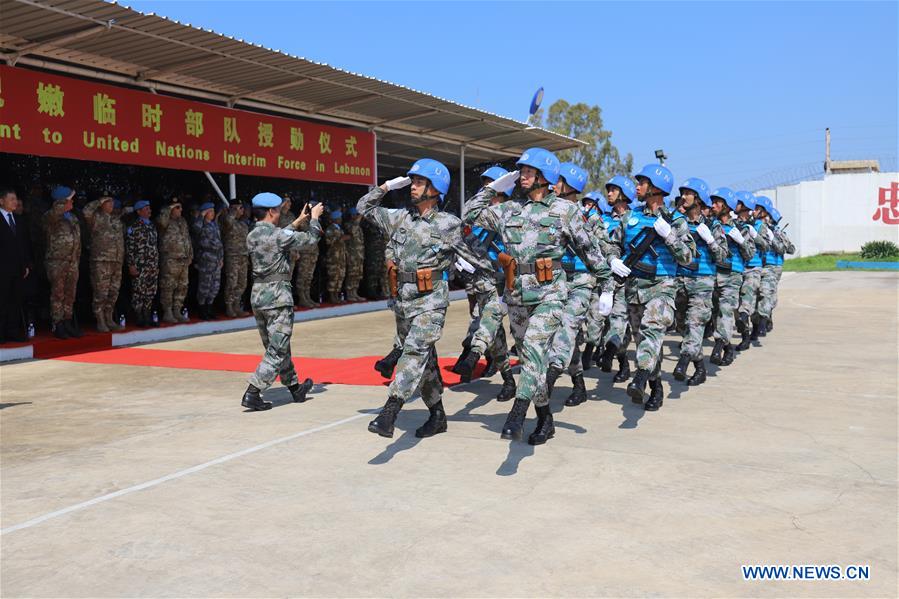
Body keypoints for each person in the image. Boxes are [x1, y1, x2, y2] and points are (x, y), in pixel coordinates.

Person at [464, 148, 610, 445]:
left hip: (550, 294)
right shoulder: (509, 210)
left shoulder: (565, 211)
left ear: (545, 177)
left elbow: (589, 250)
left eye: (529, 171)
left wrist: (607, 286)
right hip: (517, 295)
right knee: (532, 361)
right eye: (522, 171)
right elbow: (469, 213)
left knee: (532, 350)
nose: (523, 176)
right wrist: (493, 187)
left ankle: (517, 413)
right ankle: (545, 419)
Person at [359, 158, 488, 439]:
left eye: (418, 182)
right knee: (425, 362)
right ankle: (438, 415)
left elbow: (481, 260)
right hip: (404, 303)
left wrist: (489, 289)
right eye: (412, 181)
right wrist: (386, 186)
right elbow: (364, 208)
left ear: (435, 188)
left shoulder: (449, 225)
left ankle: (390, 411)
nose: (412, 187)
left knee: (414, 352)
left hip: (431, 302)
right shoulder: (401, 218)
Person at [609, 164, 696, 412]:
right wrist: (613, 260)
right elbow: (612, 245)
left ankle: (639, 378)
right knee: (644, 340)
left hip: (662, 286)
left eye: (642, 182)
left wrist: (669, 235)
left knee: (652, 330)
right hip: (634, 289)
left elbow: (688, 257)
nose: (636, 186)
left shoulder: (676, 221)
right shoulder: (630, 217)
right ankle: (655, 384)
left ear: (656, 188)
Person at [241, 193, 321, 411]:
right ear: (271, 212)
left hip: (259, 297)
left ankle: (295, 388)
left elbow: (280, 235)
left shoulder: (252, 235)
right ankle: (253, 391)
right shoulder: (278, 236)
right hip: (277, 297)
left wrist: (296, 222)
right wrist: (314, 219)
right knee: (277, 349)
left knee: (277, 346)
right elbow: (312, 240)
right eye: (277, 210)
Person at [545, 162, 614, 407]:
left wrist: (610, 271)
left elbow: (605, 246)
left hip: (583, 281)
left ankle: (549, 379)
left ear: (569, 185)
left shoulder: (589, 217)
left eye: (559, 180)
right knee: (565, 336)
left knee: (567, 327)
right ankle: (579, 384)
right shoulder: (550, 211)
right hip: (558, 278)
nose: (553, 183)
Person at [671, 178, 727, 386]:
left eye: (688, 193)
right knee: (682, 326)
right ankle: (700, 367)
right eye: (682, 193)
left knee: (695, 324)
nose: (683, 197)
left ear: (699, 199)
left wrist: (711, 241)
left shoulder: (713, 226)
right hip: (680, 281)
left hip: (703, 282)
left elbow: (722, 256)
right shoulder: (678, 223)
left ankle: (684, 361)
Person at [708, 187, 755, 366]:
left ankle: (719, 344)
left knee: (726, 310)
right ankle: (728, 347)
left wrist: (742, 241)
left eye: (717, 202)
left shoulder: (740, 229)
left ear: (726, 206)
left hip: (732, 275)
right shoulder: (710, 225)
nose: (713, 206)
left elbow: (750, 254)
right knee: (715, 313)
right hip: (713, 274)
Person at [44, 186, 83, 338]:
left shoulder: (72, 217)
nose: (72, 201)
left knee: (70, 294)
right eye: (69, 199)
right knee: (58, 294)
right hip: (57, 262)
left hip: (72, 262)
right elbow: (55, 213)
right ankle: (58, 324)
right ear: (61, 201)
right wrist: (63, 202)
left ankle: (67, 321)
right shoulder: (50, 216)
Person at [82, 195, 124, 332]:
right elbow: (86, 211)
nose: (111, 204)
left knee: (113, 291)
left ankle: (109, 317)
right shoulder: (96, 217)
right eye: (108, 202)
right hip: (101, 261)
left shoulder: (116, 219)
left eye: (112, 202)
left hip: (116, 261)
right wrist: (99, 200)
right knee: (101, 292)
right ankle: (100, 320)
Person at [734, 191, 768, 350]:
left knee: (747, 296)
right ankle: (745, 335)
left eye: (738, 202)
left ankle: (751, 326)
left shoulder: (759, 226)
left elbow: (766, 245)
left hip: (753, 267)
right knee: (737, 305)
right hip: (738, 267)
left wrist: (756, 236)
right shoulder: (732, 223)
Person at [0, 187, 32, 342]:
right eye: (11, 199)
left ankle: (12, 331)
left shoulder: (18, 219)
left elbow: (24, 244)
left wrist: (26, 264)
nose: (15, 202)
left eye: (16, 199)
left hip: (17, 269)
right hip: (2, 268)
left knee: (15, 300)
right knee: (2, 300)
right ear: (1, 201)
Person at [156, 196, 193, 323]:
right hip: (170, 259)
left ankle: (177, 310)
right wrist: (168, 209)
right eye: (178, 208)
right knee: (168, 286)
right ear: (171, 209)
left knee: (182, 286)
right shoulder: (165, 220)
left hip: (183, 259)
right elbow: (161, 222)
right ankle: (167, 312)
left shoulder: (182, 221)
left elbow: (187, 238)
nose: (181, 210)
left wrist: (190, 254)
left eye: (181, 207)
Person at [126, 199, 159, 328]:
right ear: (138, 211)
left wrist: (156, 264)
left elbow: (155, 246)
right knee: (139, 291)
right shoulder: (134, 227)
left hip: (152, 264)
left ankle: (147, 314)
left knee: (150, 291)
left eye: (149, 208)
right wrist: (131, 265)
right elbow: (130, 247)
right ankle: (139, 316)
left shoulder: (151, 225)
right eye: (146, 209)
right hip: (140, 265)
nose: (149, 211)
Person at [192, 202, 224, 319]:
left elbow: (220, 243)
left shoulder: (214, 225)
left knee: (214, 286)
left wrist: (221, 258)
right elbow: (196, 230)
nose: (212, 213)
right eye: (209, 211)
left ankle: (209, 307)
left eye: (213, 211)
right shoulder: (200, 224)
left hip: (216, 260)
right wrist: (201, 215)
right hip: (206, 260)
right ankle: (202, 309)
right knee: (204, 287)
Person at [219, 199, 250, 317]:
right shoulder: (226, 220)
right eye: (240, 208)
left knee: (242, 283)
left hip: (243, 256)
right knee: (232, 282)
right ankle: (229, 307)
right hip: (232, 256)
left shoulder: (242, 223)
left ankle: (237, 305)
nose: (242, 210)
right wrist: (232, 211)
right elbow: (227, 222)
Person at [324, 208, 349, 304]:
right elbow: (328, 242)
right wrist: (340, 238)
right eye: (339, 217)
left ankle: (337, 295)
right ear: (335, 219)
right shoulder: (330, 229)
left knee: (340, 276)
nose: (341, 219)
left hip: (341, 257)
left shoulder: (339, 228)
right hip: (333, 258)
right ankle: (332, 296)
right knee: (333, 277)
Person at [343, 207, 366, 302]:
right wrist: (359, 217)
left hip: (359, 255)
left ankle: (355, 293)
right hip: (352, 255)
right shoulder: (348, 224)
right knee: (352, 274)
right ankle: (349, 294)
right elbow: (353, 231)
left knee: (358, 274)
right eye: (356, 215)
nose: (357, 217)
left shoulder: (358, 226)